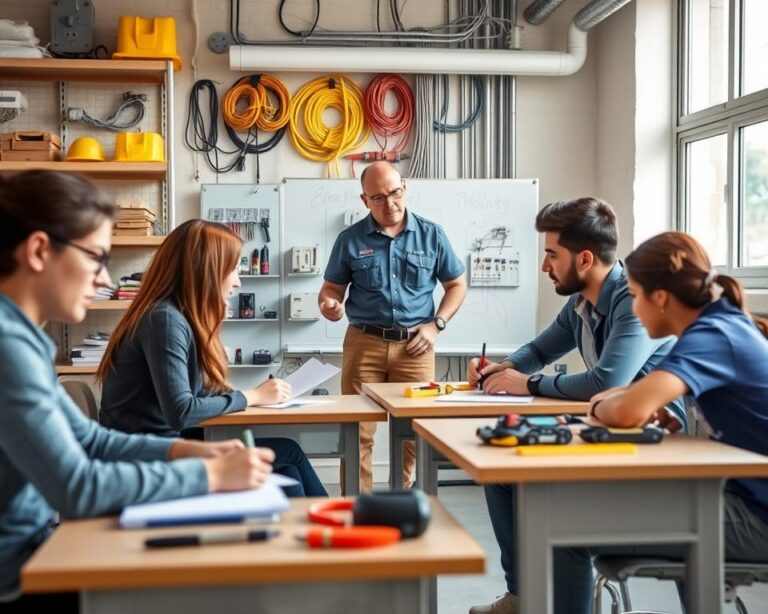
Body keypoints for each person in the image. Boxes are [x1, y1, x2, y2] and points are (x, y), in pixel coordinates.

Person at [0, 171, 275, 612]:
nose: (104, 279)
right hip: (20, 575)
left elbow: (90, 440)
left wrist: (191, 455)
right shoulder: (7, 345)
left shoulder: (24, 338)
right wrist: (211, 476)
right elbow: (77, 487)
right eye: (95, 257)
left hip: (39, 550)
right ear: (38, 251)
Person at [469, 197, 685, 614]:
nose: (544, 265)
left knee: (540, 490)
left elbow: (607, 381)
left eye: (551, 255)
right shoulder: (581, 300)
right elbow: (539, 349)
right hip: (607, 431)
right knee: (502, 473)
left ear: (585, 259)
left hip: (649, 445)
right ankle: (523, 594)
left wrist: (527, 383)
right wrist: (503, 369)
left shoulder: (632, 299)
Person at [552, 231, 768, 614]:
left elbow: (625, 410)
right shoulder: (718, 326)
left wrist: (608, 404)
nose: (633, 309)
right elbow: (638, 399)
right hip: (744, 497)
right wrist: (634, 402)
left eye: (635, 296)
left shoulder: (713, 334)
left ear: (662, 298)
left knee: (566, 527)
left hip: (759, 516)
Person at [97, 220, 327, 498]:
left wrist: (239, 394)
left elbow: (187, 393)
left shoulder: (171, 315)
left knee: (289, 462)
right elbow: (182, 411)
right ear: (206, 272)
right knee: (288, 463)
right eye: (233, 270)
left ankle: (332, 533)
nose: (238, 281)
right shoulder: (164, 320)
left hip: (159, 446)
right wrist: (252, 396)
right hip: (149, 459)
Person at [318, 161, 467, 491]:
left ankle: (402, 503)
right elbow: (331, 290)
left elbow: (457, 284)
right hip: (364, 344)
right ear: (364, 200)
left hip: (416, 345)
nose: (390, 204)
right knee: (357, 433)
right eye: (379, 198)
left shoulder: (432, 235)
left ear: (405, 187)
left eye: (395, 193)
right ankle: (359, 506)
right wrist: (328, 304)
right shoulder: (350, 239)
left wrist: (436, 325)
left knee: (412, 434)